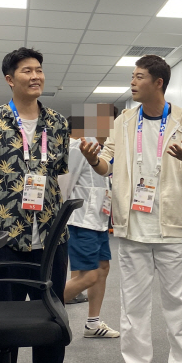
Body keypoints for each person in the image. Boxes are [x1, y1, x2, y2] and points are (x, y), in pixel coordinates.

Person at [80, 55, 182, 363]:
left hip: (173, 230)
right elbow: (107, 164)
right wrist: (94, 160)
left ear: (158, 83)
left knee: (179, 307)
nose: (132, 83)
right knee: (134, 309)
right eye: (132, 77)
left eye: (139, 77)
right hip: (132, 230)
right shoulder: (123, 122)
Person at [0, 47, 83, 363]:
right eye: (27, 70)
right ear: (9, 79)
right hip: (1, 239)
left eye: (39, 70)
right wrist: (2, 208)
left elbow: (58, 173)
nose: (35, 76)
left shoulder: (59, 124)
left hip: (49, 236)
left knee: (50, 309)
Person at [60, 136, 119, 338]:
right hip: (81, 221)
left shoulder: (106, 150)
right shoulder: (77, 147)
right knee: (88, 276)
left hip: (100, 220)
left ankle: (93, 324)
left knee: (103, 269)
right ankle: (42, 310)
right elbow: (64, 184)